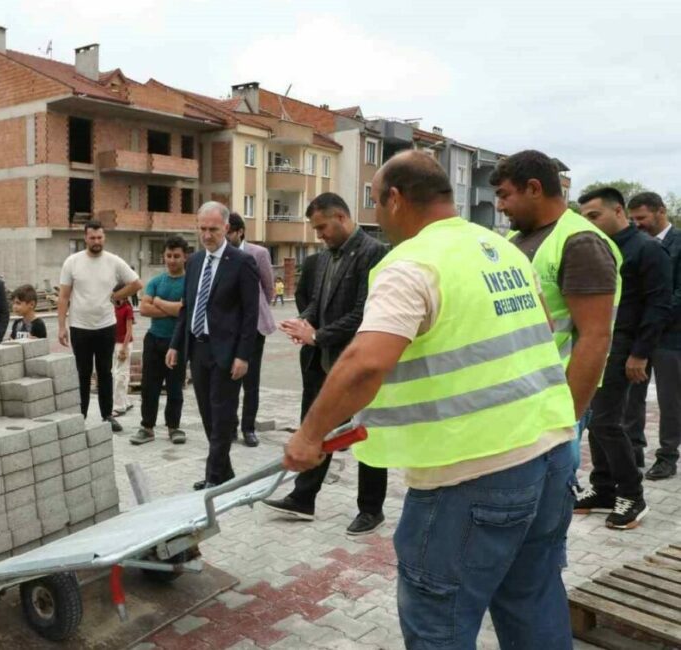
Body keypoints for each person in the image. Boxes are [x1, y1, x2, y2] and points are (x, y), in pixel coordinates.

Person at [284, 152, 578, 649]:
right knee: (532, 598)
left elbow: (365, 362)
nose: (378, 215)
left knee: (438, 619)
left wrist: (309, 436)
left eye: (376, 202)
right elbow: (543, 332)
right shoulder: (502, 249)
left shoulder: (410, 263)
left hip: (470, 476)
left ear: (395, 199)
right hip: (550, 456)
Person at [263, 193, 389, 535]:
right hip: (321, 362)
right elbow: (317, 302)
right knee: (316, 426)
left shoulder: (375, 253)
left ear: (341, 217)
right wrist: (302, 323)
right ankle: (304, 498)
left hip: (356, 361)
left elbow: (364, 313)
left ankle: (371, 508)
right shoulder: (325, 258)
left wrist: (317, 335)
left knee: (365, 434)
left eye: (322, 227)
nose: (319, 234)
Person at [493, 150, 619, 474]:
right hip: (522, 393)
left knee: (547, 505)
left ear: (534, 188)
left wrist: (567, 417)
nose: (499, 206)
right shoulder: (517, 237)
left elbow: (595, 336)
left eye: (504, 195)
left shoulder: (581, 243)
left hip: (553, 399)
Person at [574, 187, 671, 528]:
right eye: (585, 217)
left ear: (619, 212)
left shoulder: (647, 250)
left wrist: (640, 355)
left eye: (594, 215)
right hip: (598, 343)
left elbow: (658, 305)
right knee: (596, 421)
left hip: (625, 347)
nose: (590, 223)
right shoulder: (600, 249)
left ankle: (633, 494)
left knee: (607, 422)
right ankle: (603, 489)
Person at [166, 202, 259, 490]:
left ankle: (213, 477)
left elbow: (250, 313)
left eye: (213, 229)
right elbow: (187, 308)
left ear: (227, 228)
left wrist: (244, 355)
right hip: (198, 348)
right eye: (202, 229)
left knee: (222, 415)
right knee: (208, 413)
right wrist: (175, 346)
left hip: (227, 352)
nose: (207, 235)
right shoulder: (193, 262)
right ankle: (224, 472)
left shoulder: (242, 263)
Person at [57, 220, 143, 432]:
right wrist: (61, 326)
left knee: (106, 372)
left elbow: (137, 283)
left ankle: (107, 415)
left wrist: (117, 296)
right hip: (79, 327)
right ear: (85, 238)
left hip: (106, 327)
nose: (96, 241)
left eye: (100, 237)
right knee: (83, 373)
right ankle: (81, 415)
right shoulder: (72, 262)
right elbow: (64, 296)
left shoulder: (113, 261)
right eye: (92, 237)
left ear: (104, 238)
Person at [624, 191, 681, 479]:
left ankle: (668, 455)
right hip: (638, 336)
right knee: (632, 395)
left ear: (661, 212)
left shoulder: (679, 243)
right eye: (632, 219)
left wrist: (653, 319)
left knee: (670, 399)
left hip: (671, 338)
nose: (637, 224)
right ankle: (633, 450)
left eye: (642, 218)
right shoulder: (636, 246)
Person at [131, 236, 189, 446]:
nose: (172, 260)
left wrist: (157, 301)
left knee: (175, 387)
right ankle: (147, 427)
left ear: (185, 257)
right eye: (168, 256)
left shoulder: (189, 282)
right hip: (154, 340)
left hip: (177, 342)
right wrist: (172, 309)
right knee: (149, 387)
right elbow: (144, 309)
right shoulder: (156, 281)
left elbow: (184, 310)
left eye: (176, 256)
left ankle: (174, 427)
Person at [225, 212, 275, 447]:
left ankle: (249, 428)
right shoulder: (221, 255)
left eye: (229, 233)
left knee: (250, 381)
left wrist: (257, 308)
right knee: (229, 380)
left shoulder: (258, 253)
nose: (225, 238)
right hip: (228, 327)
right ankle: (231, 426)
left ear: (239, 232)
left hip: (254, 327)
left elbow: (268, 287)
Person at [112, 284, 135, 416]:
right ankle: (125, 401)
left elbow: (129, 331)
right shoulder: (113, 307)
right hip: (114, 343)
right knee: (116, 373)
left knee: (121, 375)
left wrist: (124, 349)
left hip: (124, 344)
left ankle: (119, 406)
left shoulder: (127, 308)